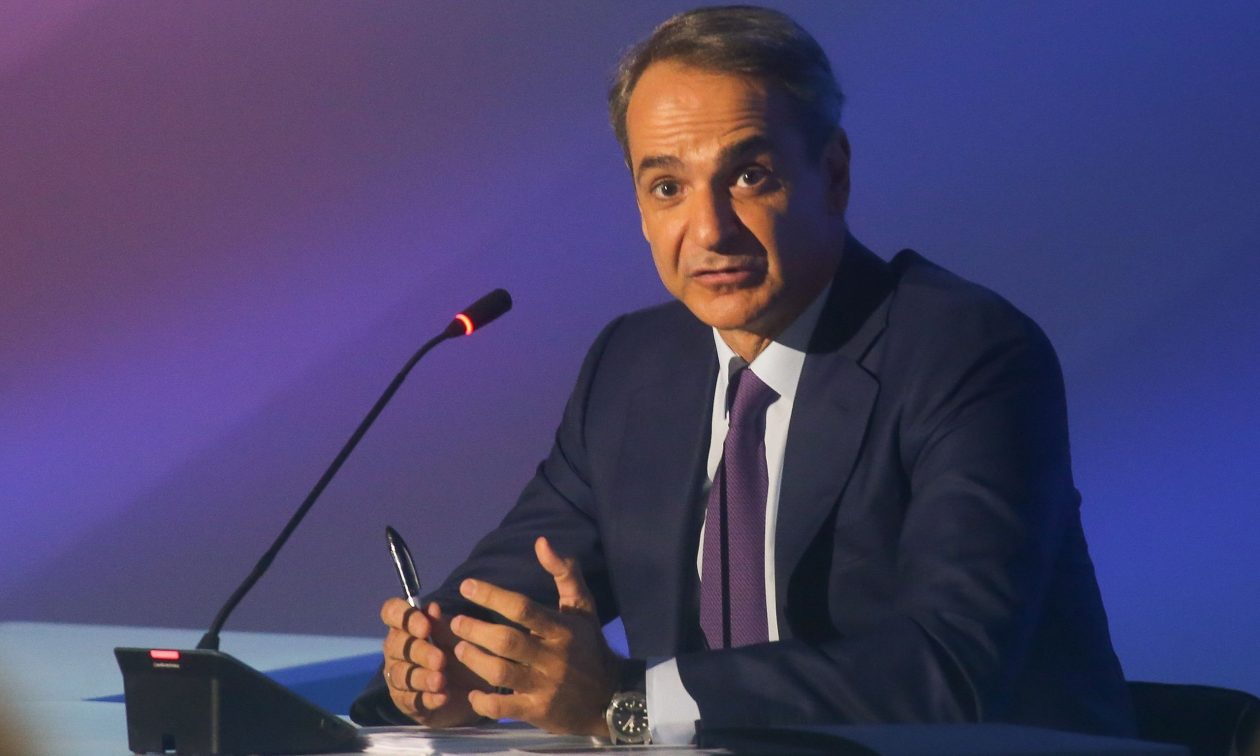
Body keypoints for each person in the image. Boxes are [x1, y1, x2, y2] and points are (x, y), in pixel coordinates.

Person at [351, 5, 1135, 744]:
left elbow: (951, 673)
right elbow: (499, 597)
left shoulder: (965, 350)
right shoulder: (634, 367)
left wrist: (625, 700)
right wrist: (439, 669)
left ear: (833, 174)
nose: (709, 230)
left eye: (749, 177)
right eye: (667, 188)